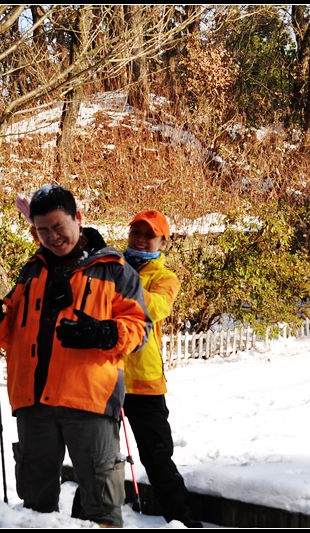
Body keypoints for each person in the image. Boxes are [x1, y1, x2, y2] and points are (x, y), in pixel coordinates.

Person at [0, 184, 150, 527]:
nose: (53, 237)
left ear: (78, 219)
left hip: (89, 402)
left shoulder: (113, 269)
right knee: (34, 508)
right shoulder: (32, 270)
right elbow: (9, 333)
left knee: (100, 506)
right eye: (43, 231)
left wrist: (105, 332)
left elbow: (140, 329)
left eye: (59, 227)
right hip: (34, 404)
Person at [121, 210, 202, 528]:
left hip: (144, 379)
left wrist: (121, 283)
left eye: (148, 234)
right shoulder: (111, 267)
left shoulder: (164, 278)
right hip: (105, 376)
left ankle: (182, 521)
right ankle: (85, 519)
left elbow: (153, 308)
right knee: (98, 457)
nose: (140, 239)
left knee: (157, 457)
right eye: (135, 232)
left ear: (163, 243)